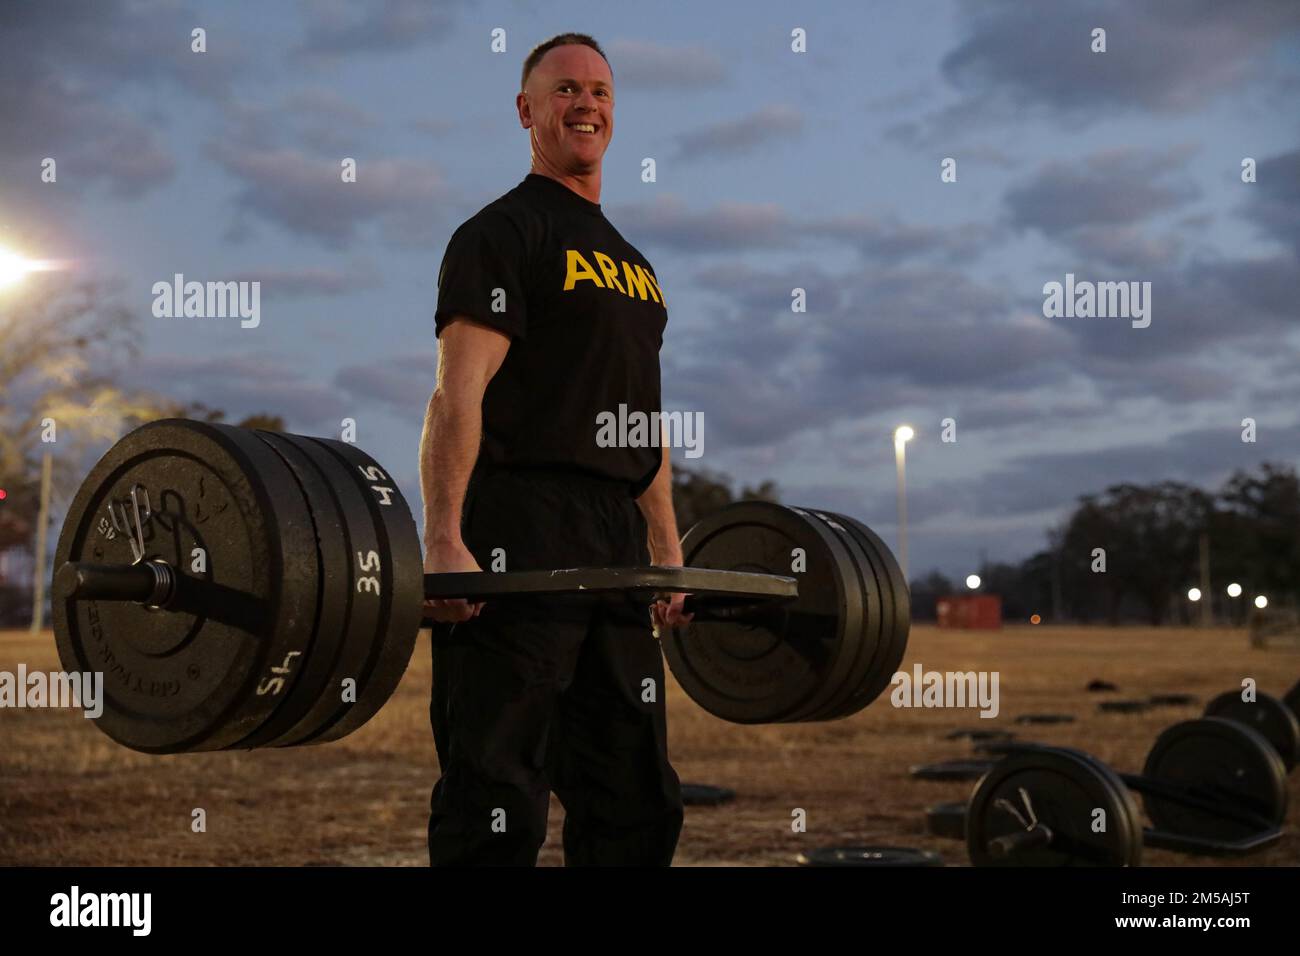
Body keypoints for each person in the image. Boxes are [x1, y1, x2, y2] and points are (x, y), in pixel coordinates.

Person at [419, 32, 691, 866]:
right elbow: (456, 392)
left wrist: (667, 543)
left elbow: (641, 419)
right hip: (518, 529)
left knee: (635, 795)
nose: (588, 105)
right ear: (526, 109)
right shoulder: (501, 234)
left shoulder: (636, 268)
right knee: (496, 788)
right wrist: (443, 535)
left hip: (613, 539)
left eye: (602, 92)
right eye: (566, 89)